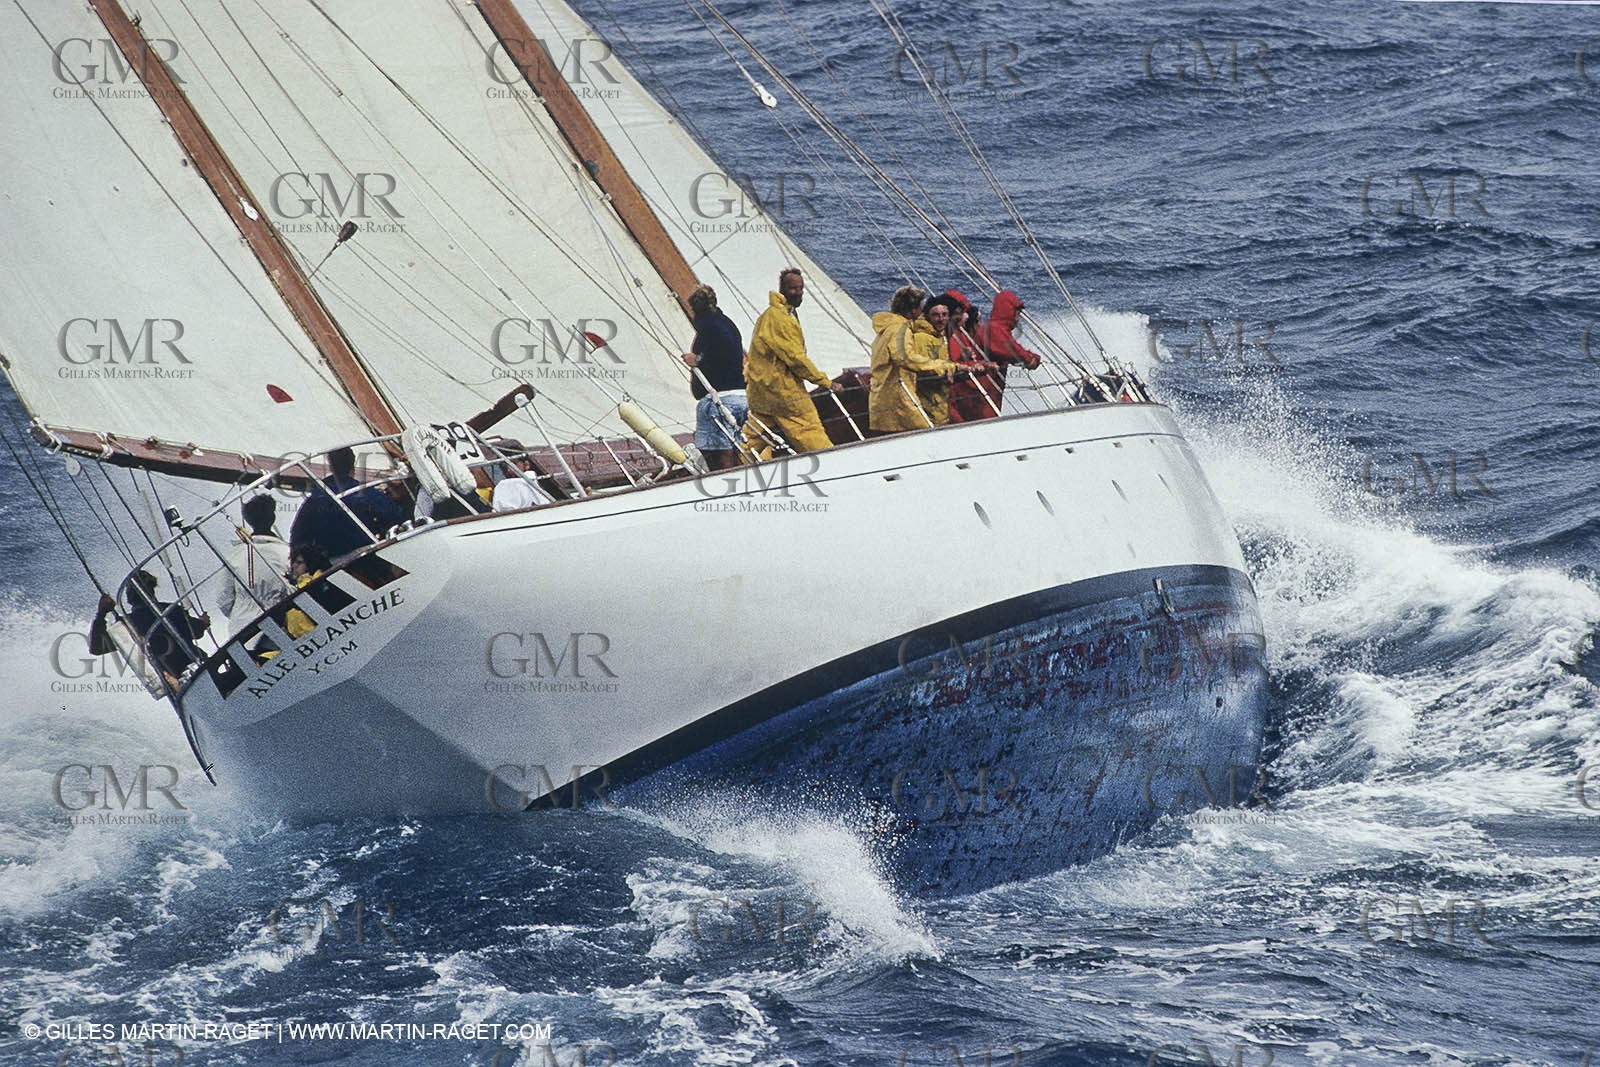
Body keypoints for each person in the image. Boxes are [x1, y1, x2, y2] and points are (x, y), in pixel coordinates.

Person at [744, 267, 843, 455]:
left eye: (801, 288)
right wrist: (825, 382)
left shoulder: (772, 315)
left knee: (752, 438)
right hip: (783, 392)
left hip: (761, 391)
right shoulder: (780, 318)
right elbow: (795, 358)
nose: (798, 293)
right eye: (793, 289)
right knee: (809, 428)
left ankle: (731, 467)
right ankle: (831, 461)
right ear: (783, 289)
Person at [90, 571, 210, 686]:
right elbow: (197, 632)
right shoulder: (172, 610)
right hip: (200, 667)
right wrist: (203, 622)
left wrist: (101, 614)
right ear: (152, 590)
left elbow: (97, 648)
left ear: (128, 597)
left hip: (176, 682)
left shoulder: (126, 625)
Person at [869, 286, 960, 434]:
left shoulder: (886, 329)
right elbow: (906, 358)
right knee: (926, 434)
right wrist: (943, 366)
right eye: (920, 308)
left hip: (883, 399)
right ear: (912, 310)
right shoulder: (899, 329)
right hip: (898, 398)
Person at [289, 446, 403, 562]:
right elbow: (394, 517)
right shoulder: (368, 492)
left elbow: (297, 535)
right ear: (352, 466)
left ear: (331, 466)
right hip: (368, 556)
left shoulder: (315, 498)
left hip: (332, 563)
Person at [679, 283, 749, 471]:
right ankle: (739, 485)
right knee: (733, 450)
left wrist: (698, 359)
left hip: (720, 400)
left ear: (694, 308)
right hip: (739, 396)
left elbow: (721, 345)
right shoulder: (726, 322)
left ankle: (726, 492)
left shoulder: (709, 324)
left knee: (719, 455)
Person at [214, 494, 292, 636]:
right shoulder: (287, 553)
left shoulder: (234, 557)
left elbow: (223, 600)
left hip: (241, 629)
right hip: (279, 624)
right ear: (272, 518)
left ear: (249, 521)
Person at [978, 290, 1044, 413]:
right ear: (1008, 311)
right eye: (1017, 314)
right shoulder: (995, 329)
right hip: (984, 388)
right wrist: (1031, 359)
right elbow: (1010, 350)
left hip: (991, 387)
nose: (1017, 319)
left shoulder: (994, 327)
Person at [944, 290, 1002, 422]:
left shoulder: (958, 335)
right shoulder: (954, 336)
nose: (964, 316)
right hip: (964, 394)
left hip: (969, 394)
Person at [491, 443, 554, 512]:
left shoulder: (509, 484)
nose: (508, 470)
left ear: (526, 465)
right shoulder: (506, 485)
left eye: (513, 464)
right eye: (504, 466)